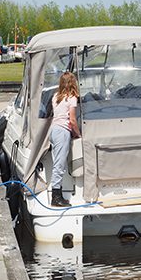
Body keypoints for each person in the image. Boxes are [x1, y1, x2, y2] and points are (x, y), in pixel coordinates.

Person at [50, 71, 81, 207]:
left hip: (53, 130)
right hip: (62, 132)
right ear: (72, 83)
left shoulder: (55, 96)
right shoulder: (72, 98)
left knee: (57, 163)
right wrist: (78, 134)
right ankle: (56, 197)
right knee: (60, 165)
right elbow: (73, 120)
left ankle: (57, 193)